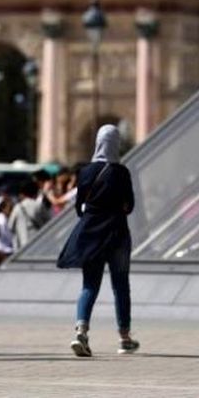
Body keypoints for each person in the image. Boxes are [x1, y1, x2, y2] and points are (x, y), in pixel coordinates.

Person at [57, 124, 139, 358]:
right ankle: (124, 338)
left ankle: (81, 332)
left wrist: (94, 214)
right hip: (118, 234)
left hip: (92, 235)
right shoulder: (122, 172)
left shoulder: (85, 172)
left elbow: (79, 207)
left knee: (89, 285)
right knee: (120, 286)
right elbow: (129, 206)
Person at [9, 180, 52, 251]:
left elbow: (10, 226)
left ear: (22, 194)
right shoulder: (39, 205)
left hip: (23, 246)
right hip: (39, 243)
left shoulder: (17, 208)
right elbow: (49, 223)